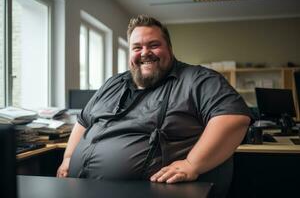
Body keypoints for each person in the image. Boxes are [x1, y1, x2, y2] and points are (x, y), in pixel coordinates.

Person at [57, 15, 252, 198]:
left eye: (153, 45)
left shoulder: (198, 79)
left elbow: (233, 118)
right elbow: (84, 121)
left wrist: (192, 164)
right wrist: (68, 158)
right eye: (137, 47)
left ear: (170, 48)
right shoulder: (113, 83)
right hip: (80, 189)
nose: (145, 53)